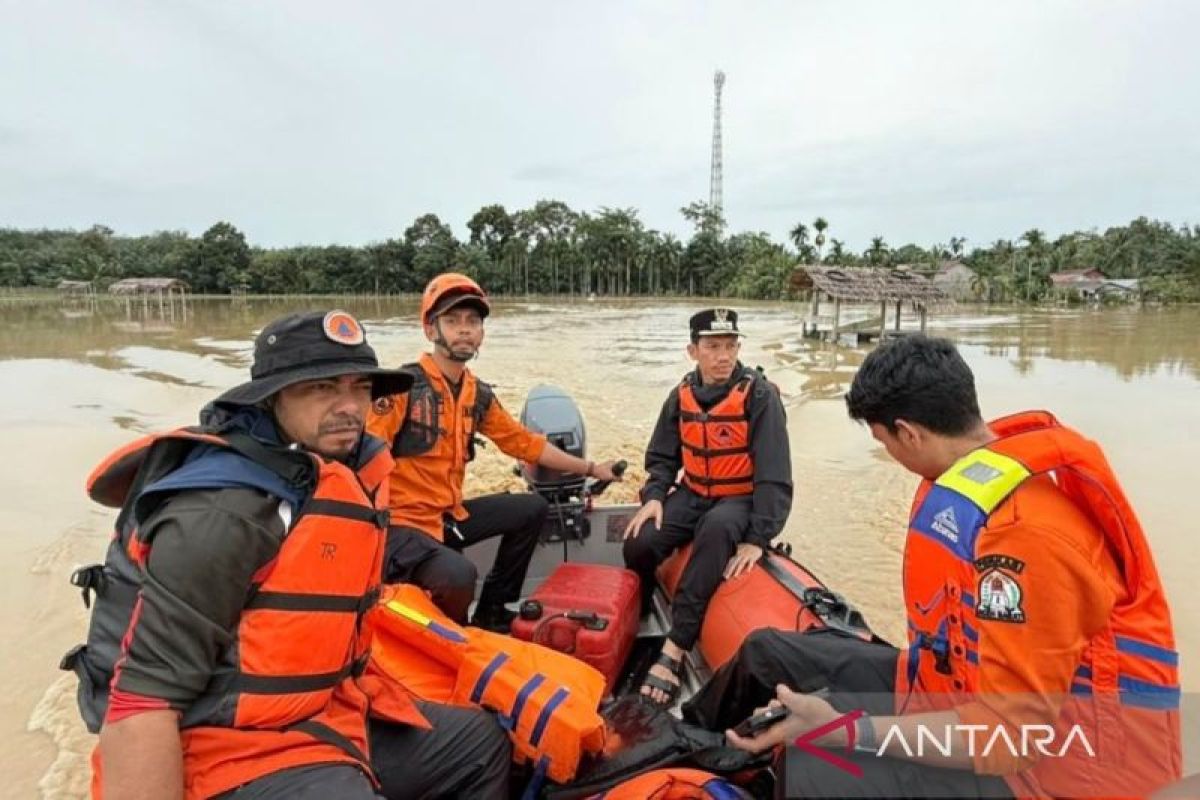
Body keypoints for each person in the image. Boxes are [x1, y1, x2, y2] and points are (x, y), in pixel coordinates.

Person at [685, 335, 1181, 799]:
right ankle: (682, 747)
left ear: (908, 433)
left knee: (813, 761)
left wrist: (844, 730)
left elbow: (1009, 739)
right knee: (767, 651)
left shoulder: (1025, 539)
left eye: (884, 442)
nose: (889, 453)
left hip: (1047, 773)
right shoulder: (974, 478)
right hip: (951, 688)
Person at [70, 310, 511, 799]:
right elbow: (143, 702)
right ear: (273, 396)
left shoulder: (350, 470)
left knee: (480, 743)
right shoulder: (224, 513)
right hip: (227, 747)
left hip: (327, 711)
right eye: (322, 388)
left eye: (361, 387)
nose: (349, 406)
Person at [368, 273, 622, 631]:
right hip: (399, 525)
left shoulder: (477, 395)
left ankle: (493, 612)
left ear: (482, 334)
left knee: (532, 508)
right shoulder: (401, 389)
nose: (464, 329)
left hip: (446, 515)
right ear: (429, 329)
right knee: (459, 575)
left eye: (473, 321)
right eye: (452, 321)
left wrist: (592, 468)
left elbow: (524, 443)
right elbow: (363, 458)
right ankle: (454, 640)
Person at [622, 308, 793, 706]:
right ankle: (640, 608)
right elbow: (662, 456)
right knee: (639, 541)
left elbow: (775, 473)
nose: (723, 356)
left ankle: (676, 647)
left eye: (730, 346)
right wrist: (654, 496)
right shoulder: (681, 394)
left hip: (740, 497)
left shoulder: (760, 396)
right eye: (713, 347)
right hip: (694, 491)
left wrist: (757, 538)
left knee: (716, 529)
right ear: (692, 351)